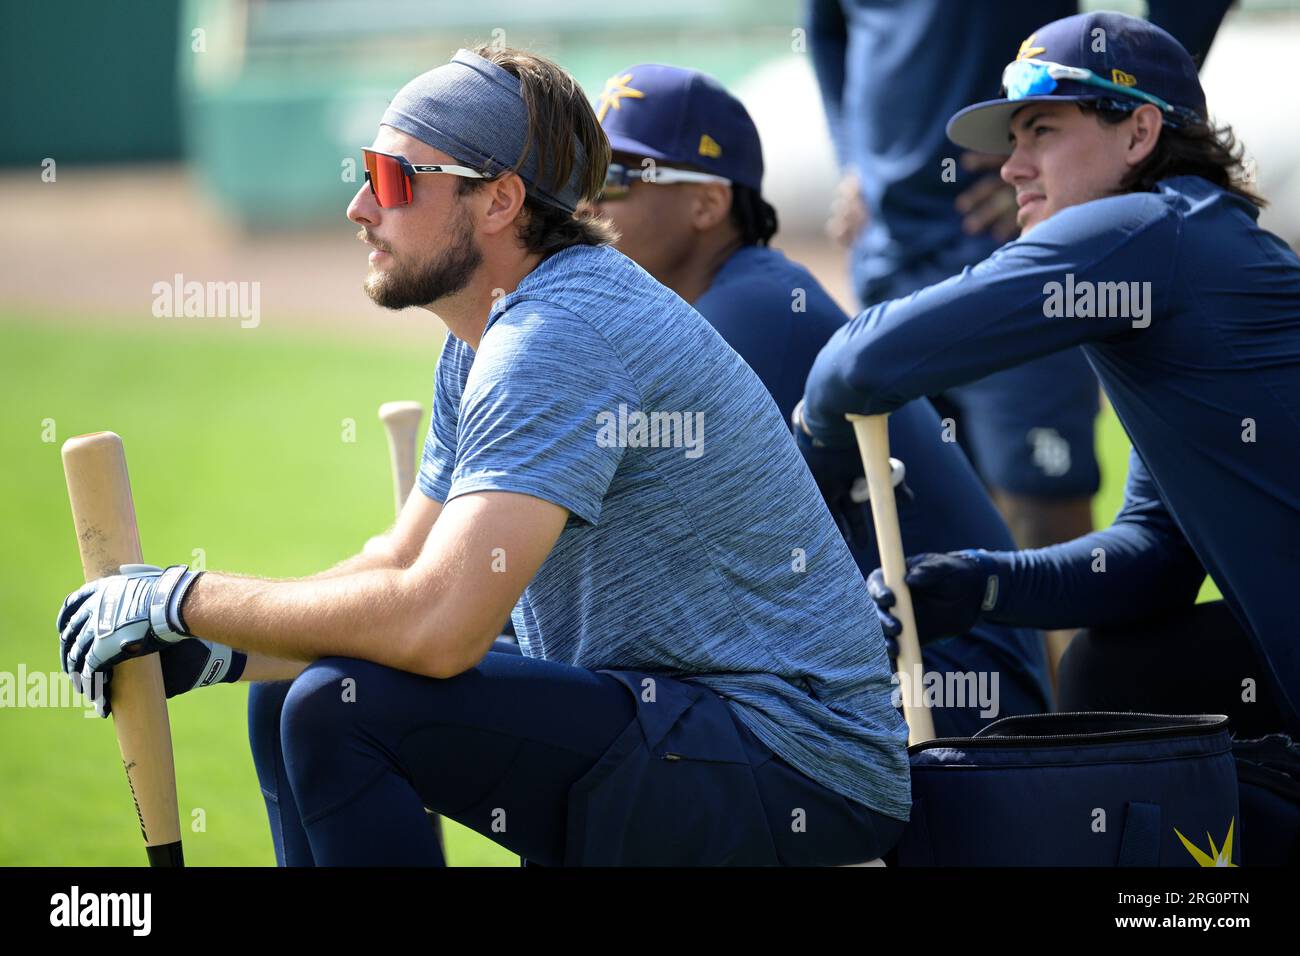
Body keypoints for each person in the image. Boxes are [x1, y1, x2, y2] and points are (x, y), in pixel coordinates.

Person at [55, 45, 910, 867]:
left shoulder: (557, 333)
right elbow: (400, 561)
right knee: (290, 687)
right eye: (364, 173)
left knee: (334, 710)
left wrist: (186, 596)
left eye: (393, 179)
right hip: (690, 725)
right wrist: (225, 646)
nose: (360, 207)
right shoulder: (492, 332)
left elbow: (439, 629)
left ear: (500, 201)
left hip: (799, 759)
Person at [799, 12, 1300, 738]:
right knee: (1113, 669)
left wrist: (814, 447)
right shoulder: (1182, 238)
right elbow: (1154, 560)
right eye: (1012, 140)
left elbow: (860, 361)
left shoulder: (1141, 230)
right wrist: (981, 584)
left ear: (1139, 133)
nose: (1011, 167)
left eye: (1043, 132)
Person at [593, 63, 1049, 735]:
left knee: (593, 711)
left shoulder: (744, 312)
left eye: (614, 177)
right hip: (893, 668)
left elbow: (627, 544)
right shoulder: (738, 297)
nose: (583, 204)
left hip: (948, 701)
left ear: (707, 204)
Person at [805, 0, 1231, 550]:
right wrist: (853, 161)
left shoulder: (1178, 243)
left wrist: (1071, 174)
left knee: (1043, 526)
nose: (1013, 160)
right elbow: (825, 31)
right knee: (920, 541)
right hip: (885, 258)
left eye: (1039, 131)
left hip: (1014, 253)